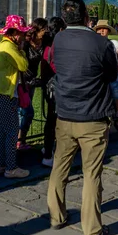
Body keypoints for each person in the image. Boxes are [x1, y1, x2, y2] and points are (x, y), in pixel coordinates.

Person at [47, 0, 118, 235]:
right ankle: (91, 229)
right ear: (86, 16)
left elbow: (54, 64)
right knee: (91, 174)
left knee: (59, 167)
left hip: (65, 113)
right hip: (93, 116)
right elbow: (111, 73)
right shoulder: (100, 43)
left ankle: (56, 216)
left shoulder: (58, 39)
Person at [0, 15, 30, 178]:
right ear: (14, 33)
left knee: (2, 131)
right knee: (12, 131)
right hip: (6, 92)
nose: (23, 37)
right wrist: (21, 49)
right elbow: (23, 65)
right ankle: (11, 168)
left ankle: (1, 164)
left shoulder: (2, 45)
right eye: (21, 33)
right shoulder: (9, 47)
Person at [17, 18, 48, 150]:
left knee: (26, 112)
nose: (45, 31)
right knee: (26, 111)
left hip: (33, 80)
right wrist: (25, 81)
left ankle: (22, 140)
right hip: (22, 81)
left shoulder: (44, 42)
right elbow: (19, 64)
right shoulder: (26, 43)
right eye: (43, 29)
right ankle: (18, 140)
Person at [40, 16, 66, 167]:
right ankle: (49, 154)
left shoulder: (47, 45)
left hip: (48, 87)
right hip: (57, 88)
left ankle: (47, 149)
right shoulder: (58, 47)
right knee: (55, 123)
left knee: (50, 121)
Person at [94, 19, 118, 112]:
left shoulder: (114, 43)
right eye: (99, 29)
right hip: (100, 77)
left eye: (104, 28)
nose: (102, 31)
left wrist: (115, 71)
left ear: (108, 31)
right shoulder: (94, 44)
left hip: (114, 77)